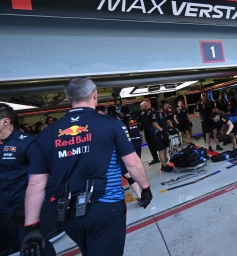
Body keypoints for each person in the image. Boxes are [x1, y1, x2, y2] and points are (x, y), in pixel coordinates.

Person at [21, 77, 152, 256]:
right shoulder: (111, 124)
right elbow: (132, 162)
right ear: (95, 95)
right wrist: (145, 188)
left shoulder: (46, 134)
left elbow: (36, 183)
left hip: (68, 215)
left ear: (68, 98)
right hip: (106, 207)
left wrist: (31, 225)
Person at [0, 103, 57, 255]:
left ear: (6, 122)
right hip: (5, 211)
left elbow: (49, 177)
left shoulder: (27, 143)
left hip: (26, 208)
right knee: (20, 248)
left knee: (37, 247)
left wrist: (27, 208)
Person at [119, 105, 143, 200]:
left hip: (130, 143)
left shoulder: (122, 122)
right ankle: (140, 179)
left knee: (130, 164)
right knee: (138, 161)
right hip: (138, 141)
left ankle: (134, 180)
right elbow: (140, 130)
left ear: (122, 113)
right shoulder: (136, 119)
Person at [151, 100, 173, 173]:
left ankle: (165, 164)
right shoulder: (155, 112)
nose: (167, 107)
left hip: (164, 133)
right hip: (158, 134)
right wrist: (161, 130)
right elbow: (154, 123)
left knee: (166, 148)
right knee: (162, 150)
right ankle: (163, 166)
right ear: (161, 105)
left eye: (167, 105)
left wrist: (172, 127)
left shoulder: (165, 112)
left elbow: (168, 121)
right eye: (166, 105)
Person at [139, 101, 160, 165]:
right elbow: (142, 123)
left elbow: (155, 121)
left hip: (152, 131)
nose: (141, 108)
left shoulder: (153, 111)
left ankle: (162, 156)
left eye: (141, 106)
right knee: (150, 146)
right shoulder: (142, 113)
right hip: (146, 131)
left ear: (145, 105)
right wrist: (140, 129)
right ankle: (155, 158)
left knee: (156, 144)